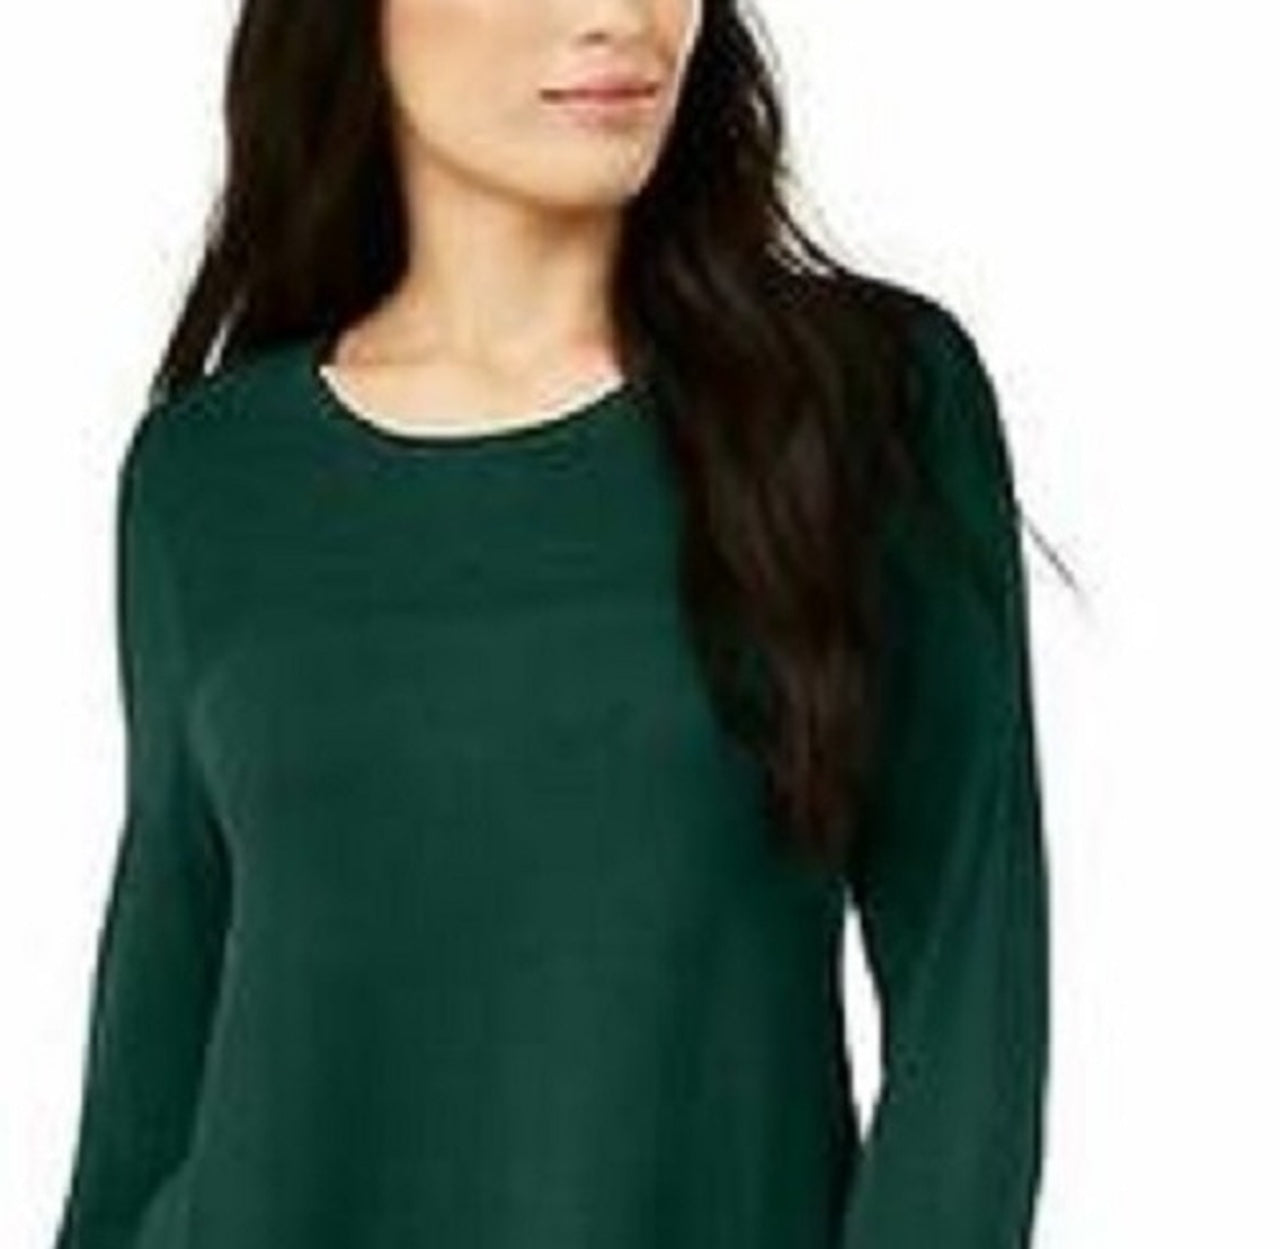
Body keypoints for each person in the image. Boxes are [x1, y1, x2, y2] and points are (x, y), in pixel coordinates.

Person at [50, 2, 1055, 1247]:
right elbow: (154, 1038)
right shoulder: (207, 476)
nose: (618, 17)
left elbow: (966, 1001)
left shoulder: (863, 400)